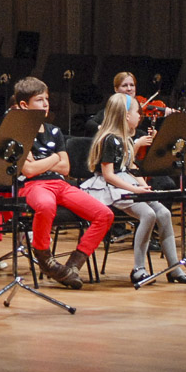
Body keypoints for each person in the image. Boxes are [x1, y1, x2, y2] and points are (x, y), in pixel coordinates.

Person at [9, 76, 114, 289]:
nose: (46, 103)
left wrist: (45, 162)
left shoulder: (53, 131)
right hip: (33, 186)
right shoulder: (18, 131)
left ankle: (74, 264)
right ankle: (45, 259)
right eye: (39, 100)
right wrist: (55, 158)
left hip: (60, 185)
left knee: (104, 214)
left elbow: (65, 168)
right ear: (24, 105)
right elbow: (28, 171)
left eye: (46, 99)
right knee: (46, 206)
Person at [82, 92, 186, 285]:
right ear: (125, 115)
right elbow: (109, 174)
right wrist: (135, 190)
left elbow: (129, 166)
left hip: (126, 181)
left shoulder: (125, 139)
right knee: (148, 215)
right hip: (110, 186)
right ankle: (138, 269)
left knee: (164, 213)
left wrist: (142, 185)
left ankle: (174, 268)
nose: (140, 116)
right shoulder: (109, 139)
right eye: (137, 112)